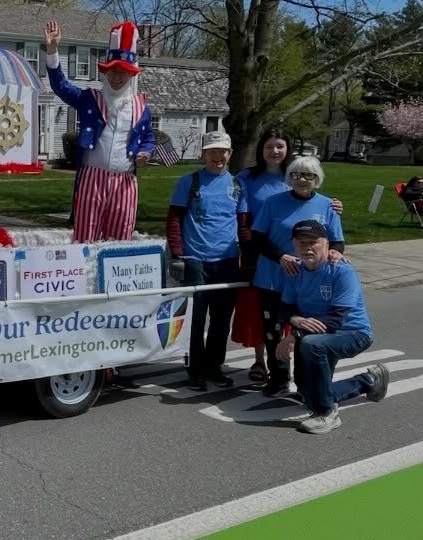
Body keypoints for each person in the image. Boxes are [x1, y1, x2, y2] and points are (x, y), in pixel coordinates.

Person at [235, 128, 343, 382]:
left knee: (303, 328)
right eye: (297, 175)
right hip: (269, 270)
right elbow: (255, 233)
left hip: (307, 278)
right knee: (269, 326)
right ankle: (275, 374)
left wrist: (335, 254)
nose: (302, 179)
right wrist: (280, 257)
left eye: (308, 175)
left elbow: (336, 241)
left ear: (317, 179)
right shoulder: (253, 183)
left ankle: (306, 379)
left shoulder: (326, 204)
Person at [44, 20, 156, 242]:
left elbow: (148, 138)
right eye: (112, 71)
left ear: (131, 74)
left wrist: (145, 151)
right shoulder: (90, 99)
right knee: (86, 236)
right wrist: (52, 50)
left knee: (120, 239)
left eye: (122, 72)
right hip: (92, 178)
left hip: (125, 181)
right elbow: (60, 87)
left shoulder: (141, 107)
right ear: (105, 73)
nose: (116, 77)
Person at [277, 220, 389, 434]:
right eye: (301, 243)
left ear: (327, 244)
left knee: (310, 344)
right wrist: (294, 320)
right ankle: (370, 380)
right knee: (307, 394)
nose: (307, 247)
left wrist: (294, 335)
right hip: (317, 335)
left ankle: (327, 413)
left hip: (352, 332)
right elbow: (285, 308)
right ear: (294, 245)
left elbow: (337, 319)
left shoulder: (340, 270)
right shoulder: (294, 271)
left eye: (313, 242)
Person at [166, 131, 250, 391]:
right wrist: (179, 254)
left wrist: (248, 255)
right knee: (196, 319)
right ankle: (195, 370)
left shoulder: (237, 185)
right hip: (196, 260)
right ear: (204, 154)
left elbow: (243, 225)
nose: (218, 156)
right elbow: (174, 219)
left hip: (227, 261)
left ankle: (214, 367)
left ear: (230, 154)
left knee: (221, 320)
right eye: (212, 151)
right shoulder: (189, 182)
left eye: (222, 151)